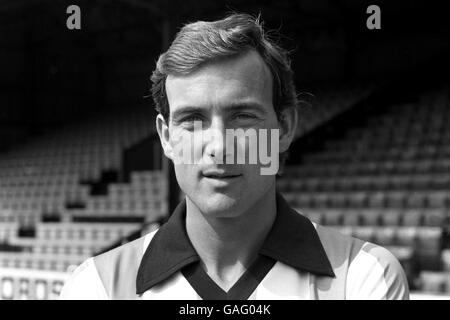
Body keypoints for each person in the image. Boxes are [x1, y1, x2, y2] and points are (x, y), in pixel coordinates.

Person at [59, 13, 409, 300]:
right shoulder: (96, 286)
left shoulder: (363, 277)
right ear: (166, 137)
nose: (219, 146)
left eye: (242, 116)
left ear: (284, 127)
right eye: (192, 120)